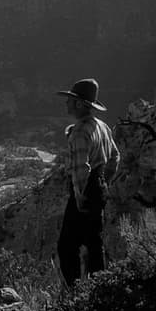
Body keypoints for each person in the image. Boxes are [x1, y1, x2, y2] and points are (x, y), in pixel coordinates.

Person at [55, 78, 119, 287]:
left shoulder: (80, 132)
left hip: (85, 191)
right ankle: (99, 290)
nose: (67, 104)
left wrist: (80, 195)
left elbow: (81, 169)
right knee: (94, 243)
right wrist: (104, 182)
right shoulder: (103, 126)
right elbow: (115, 157)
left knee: (67, 246)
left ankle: (75, 294)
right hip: (98, 188)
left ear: (80, 104)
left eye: (71, 100)